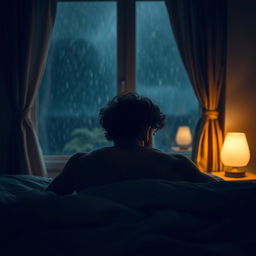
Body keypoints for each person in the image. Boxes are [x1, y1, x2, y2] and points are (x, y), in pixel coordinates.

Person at [47, 93, 215, 195]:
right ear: (148, 130)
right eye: (154, 132)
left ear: (110, 127)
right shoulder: (176, 164)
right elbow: (224, 192)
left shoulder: (80, 163)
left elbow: (46, 199)